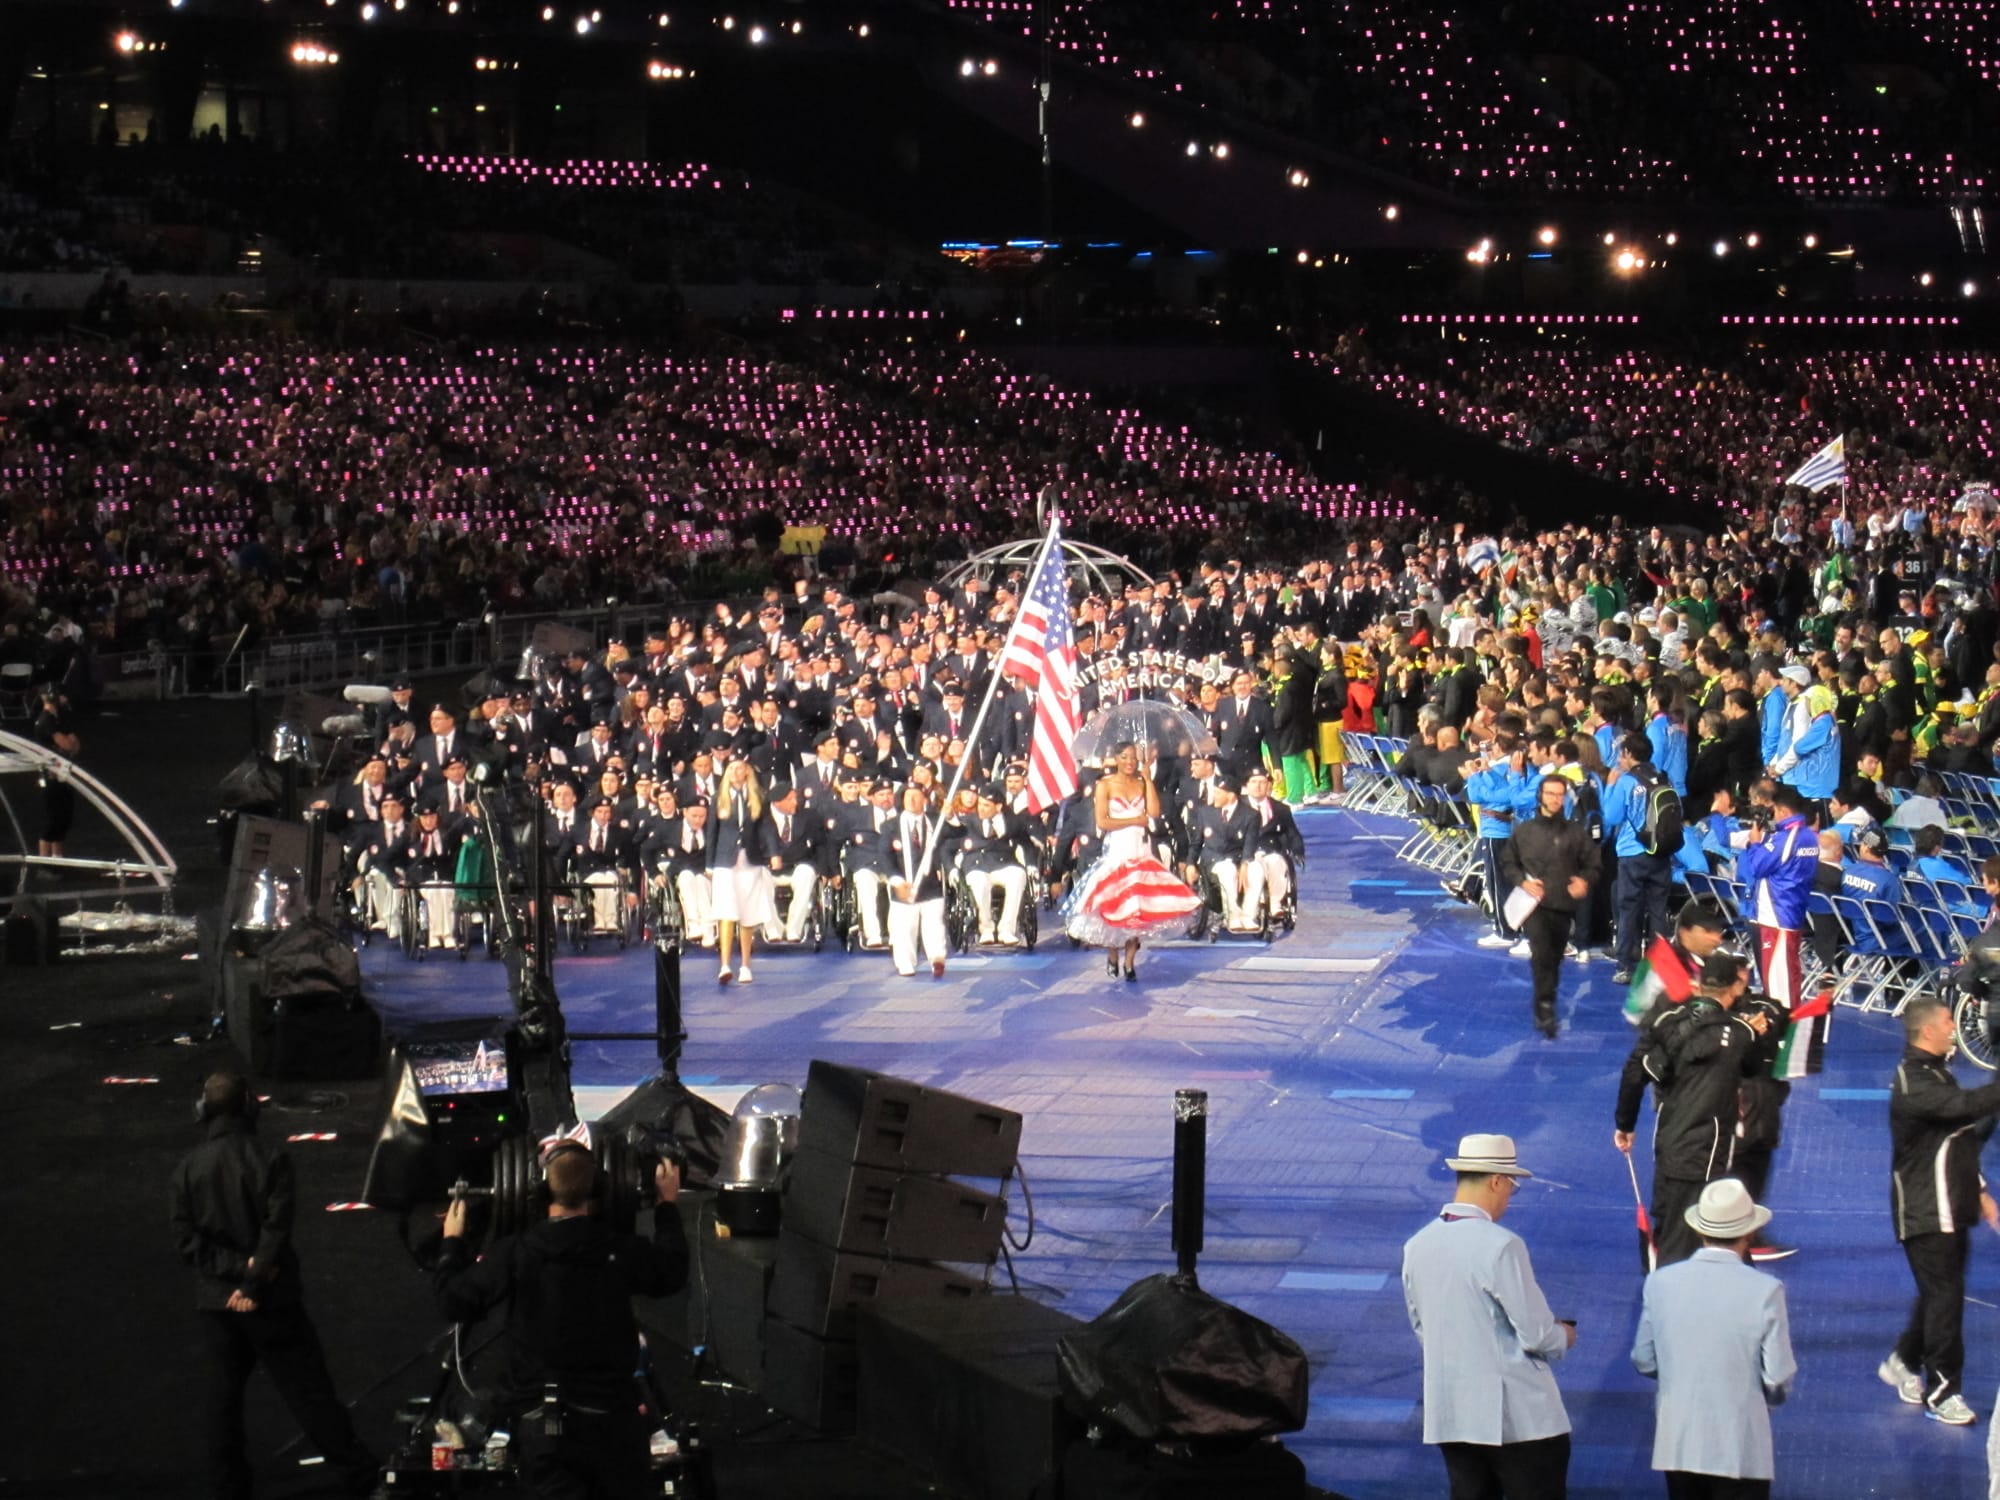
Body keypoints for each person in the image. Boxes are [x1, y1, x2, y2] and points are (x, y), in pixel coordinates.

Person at [435, 1140, 687, 1499]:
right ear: (599, 1188)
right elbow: (672, 1271)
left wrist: (452, 1242)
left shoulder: (516, 1252)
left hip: (544, 1432)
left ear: (540, 1189)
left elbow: (454, 1301)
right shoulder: (619, 1249)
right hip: (614, 1426)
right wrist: (667, 1206)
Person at [170, 1072, 376, 1500]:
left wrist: (234, 1273)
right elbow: (275, 1231)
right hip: (272, 1300)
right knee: (309, 1393)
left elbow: (188, 1243)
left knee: (222, 1403)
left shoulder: (187, 1169)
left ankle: (227, 1487)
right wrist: (253, 1281)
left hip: (218, 1303)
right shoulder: (271, 1159)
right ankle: (358, 1473)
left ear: (203, 1110)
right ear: (250, 1106)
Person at [1402, 1133, 1575, 1499]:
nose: (1510, 1197)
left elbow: (1423, 1328)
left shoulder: (1416, 1245)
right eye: (1512, 1186)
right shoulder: (1502, 1245)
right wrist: (1564, 1335)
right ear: (1497, 1181)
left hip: (1452, 1416)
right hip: (1520, 1421)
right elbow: (1537, 1335)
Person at [1630, 1178, 1796, 1500]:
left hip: (1678, 1443)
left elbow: (1644, 1358)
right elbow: (1778, 1375)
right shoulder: (1766, 1291)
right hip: (1741, 1446)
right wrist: (1767, 1401)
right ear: (1749, 1233)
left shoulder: (1660, 1283)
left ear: (1699, 1230)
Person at [1882, 996, 2000, 1426]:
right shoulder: (1914, 1082)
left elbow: (1957, 1137)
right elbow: (1962, 1108)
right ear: (1927, 1030)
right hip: (1926, 1209)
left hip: (1949, 1203)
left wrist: (1980, 1191)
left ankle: (1903, 1360)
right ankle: (1943, 1392)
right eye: (1949, 1020)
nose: (1954, 1027)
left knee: (1940, 1293)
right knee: (1945, 1298)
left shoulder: (1935, 1073)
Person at [1615, 950, 1771, 1268]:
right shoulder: (1740, 1034)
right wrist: (1755, 1034)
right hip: (1705, 1153)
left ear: (1699, 984)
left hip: (1668, 1142)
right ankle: (1671, 1293)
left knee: (1670, 1224)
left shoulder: (1667, 1022)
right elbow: (1754, 1067)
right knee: (1684, 1241)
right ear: (1735, 987)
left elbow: (1633, 1073)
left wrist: (1625, 1124)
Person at [1067, 742, 1201, 980]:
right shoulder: (1105, 785)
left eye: (1133, 758)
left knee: (1137, 908)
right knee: (1115, 905)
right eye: (1124, 757)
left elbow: (1155, 812)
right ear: (1117, 759)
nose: (1129, 762)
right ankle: (1112, 953)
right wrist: (1133, 821)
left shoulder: (1141, 782)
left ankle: (1129, 962)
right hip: (1117, 850)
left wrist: (1148, 780)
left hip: (1140, 849)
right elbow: (1103, 821)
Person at [1500, 774, 1596, 1039]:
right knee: (1541, 952)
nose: (1555, 799)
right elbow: (1508, 861)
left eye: (1559, 794)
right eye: (1550, 794)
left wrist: (1585, 880)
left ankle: (1546, 996)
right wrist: (1522, 882)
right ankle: (1544, 1005)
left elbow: (1593, 863)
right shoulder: (1524, 831)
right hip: (1534, 905)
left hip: (1563, 904)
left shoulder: (1576, 833)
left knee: (1554, 956)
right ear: (1540, 796)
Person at [1732, 783, 1817, 1018]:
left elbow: (1757, 867)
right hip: (1792, 911)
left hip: (1776, 916)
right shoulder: (1809, 836)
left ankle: (1784, 1026)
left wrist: (1755, 843)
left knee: (1778, 981)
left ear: (1784, 811)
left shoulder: (1785, 838)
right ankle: (1786, 1021)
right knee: (1789, 975)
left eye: (1776, 811)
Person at [709, 759, 779, 984]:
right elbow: (712, 833)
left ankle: (746, 965)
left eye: (739, 767)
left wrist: (773, 852)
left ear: (747, 771)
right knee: (727, 912)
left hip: (750, 860)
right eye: (731, 768)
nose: (735, 771)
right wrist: (709, 864)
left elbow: (767, 827)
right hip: (725, 861)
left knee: (748, 913)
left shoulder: (757, 797)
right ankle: (725, 965)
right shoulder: (718, 798)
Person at [884, 783, 949, 978]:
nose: (911, 800)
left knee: (934, 924)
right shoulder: (891, 826)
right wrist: (897, 881)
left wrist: (951, 817)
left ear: (924, 799)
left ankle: (937, 958)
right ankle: (905, 962)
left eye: (916, 796)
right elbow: (884, 855)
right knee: (905, 927)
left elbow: (958, 832)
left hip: (930, 884)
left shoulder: (935, 822)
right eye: (908, 796)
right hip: (905, 884)